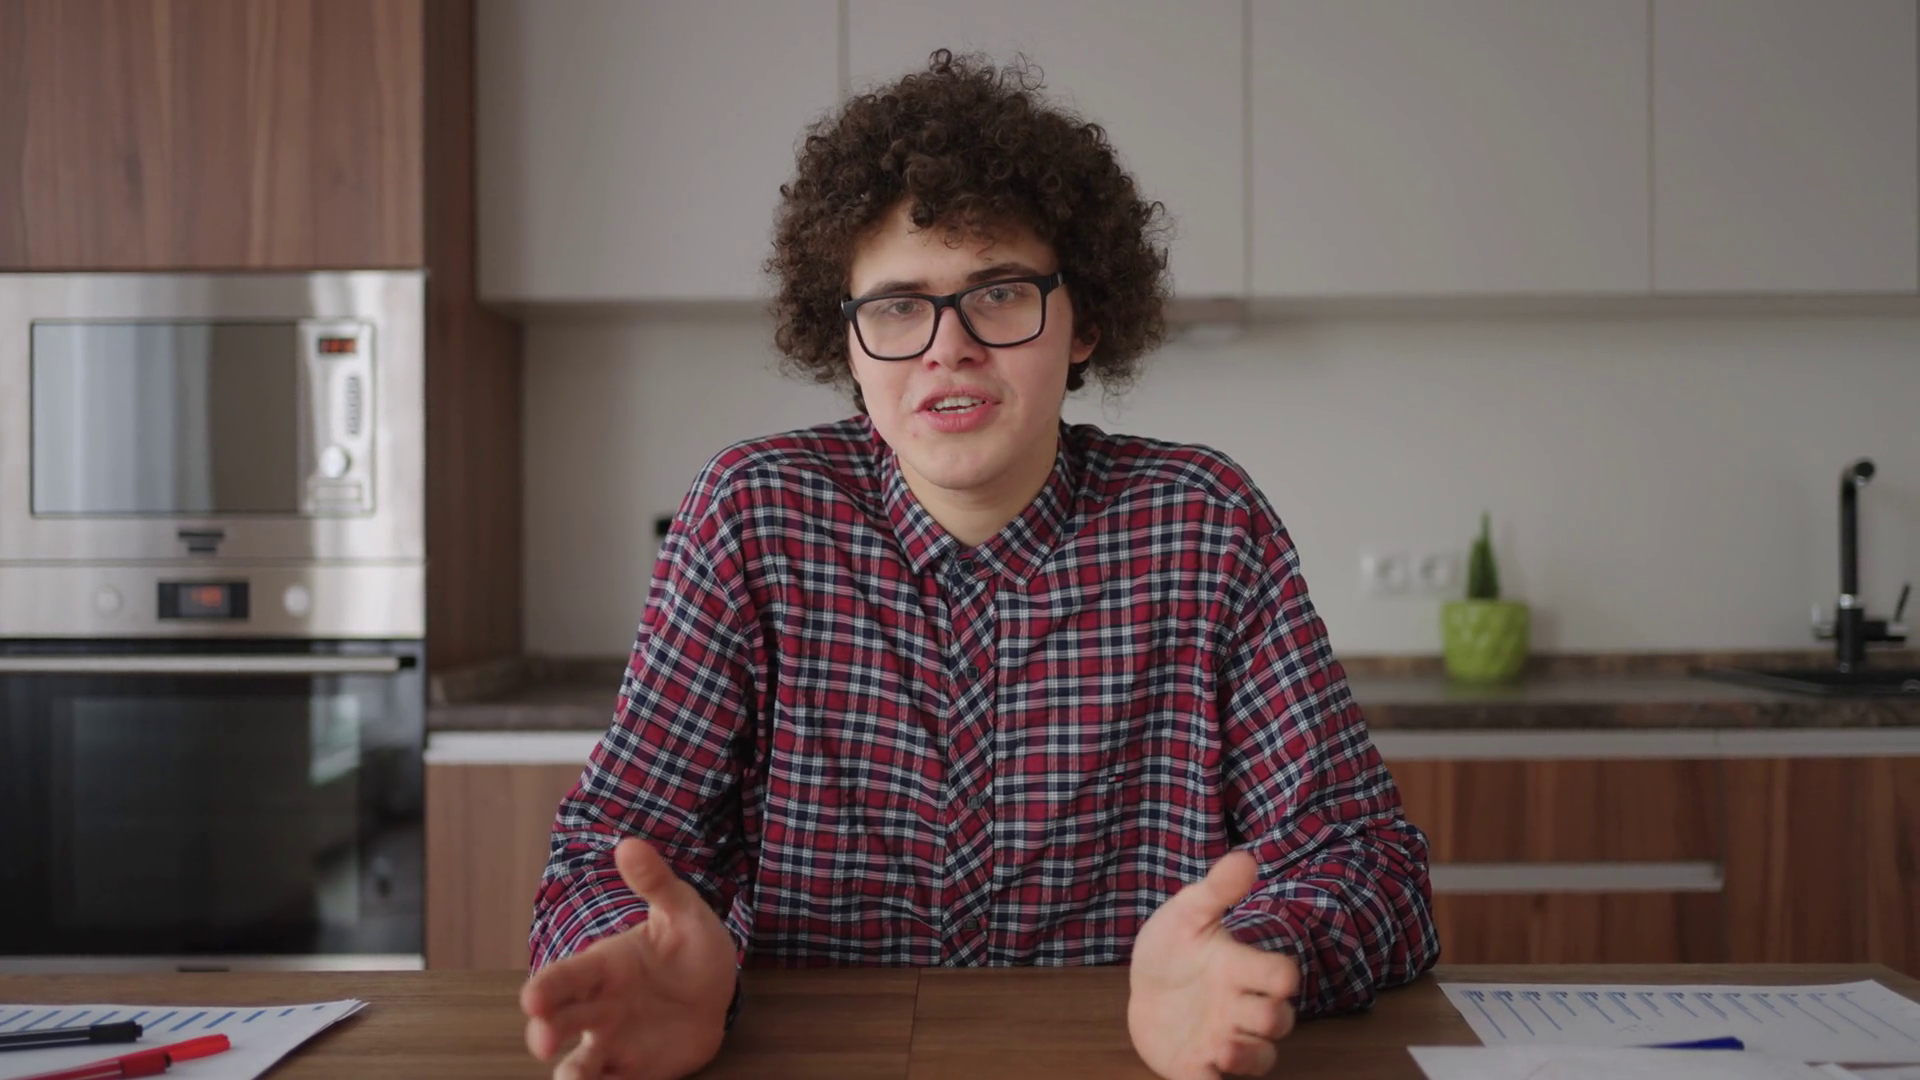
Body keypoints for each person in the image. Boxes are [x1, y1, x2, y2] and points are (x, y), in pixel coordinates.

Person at [518, 50, 1440, 1080]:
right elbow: (608, 853)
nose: (946, 347)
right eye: (896, 306)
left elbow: (1370, 867)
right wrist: (630, 950)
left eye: (998, 293)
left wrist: (1250, 954)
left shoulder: (1204, 525)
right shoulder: (751, 516)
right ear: (846, 343)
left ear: (1084, 321)